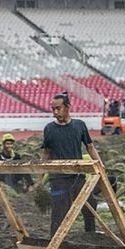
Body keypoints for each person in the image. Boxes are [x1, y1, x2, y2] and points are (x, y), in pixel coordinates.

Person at [42, 92, 103, 236]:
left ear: (68, 107)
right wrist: (40, 178)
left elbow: (90, 147)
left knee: (90, 207)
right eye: (53, 109)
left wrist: (100, 166)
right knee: (59, 214)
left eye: (58, 108)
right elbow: (46, 153)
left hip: (78, 177)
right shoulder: (49, 129)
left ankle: (91, 236)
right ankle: (56, 246)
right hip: (58, 180)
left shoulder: (79, 126)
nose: (55, 112)